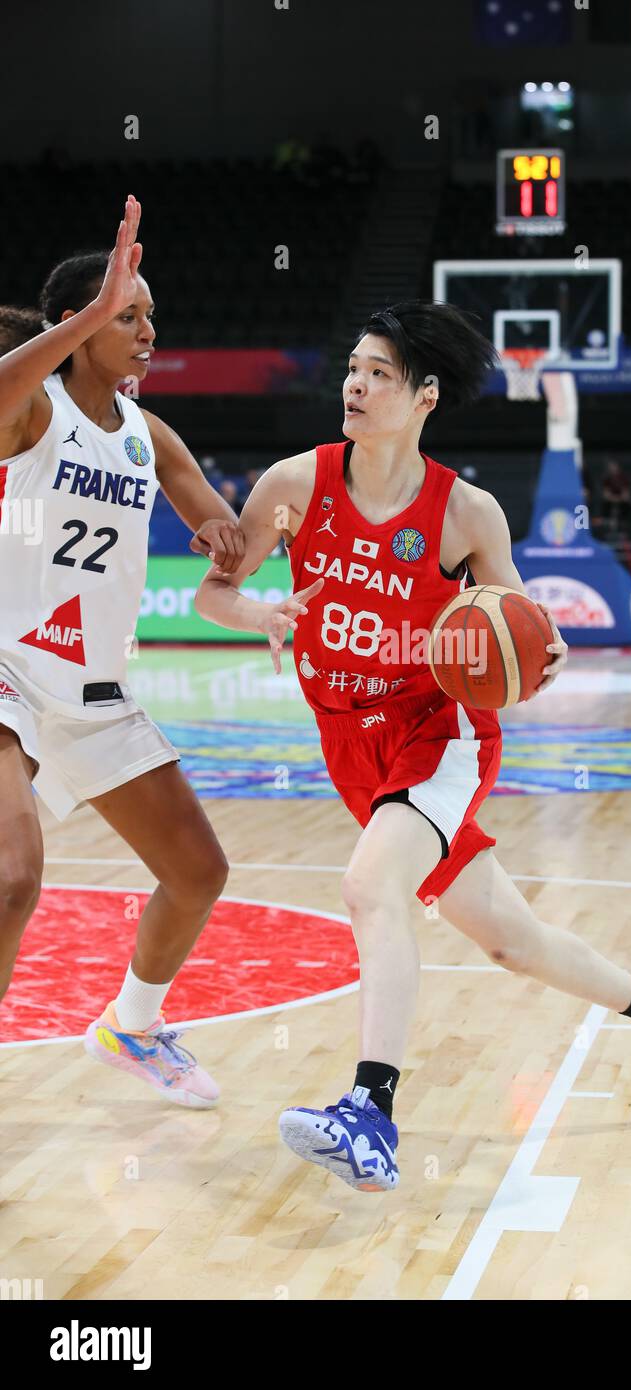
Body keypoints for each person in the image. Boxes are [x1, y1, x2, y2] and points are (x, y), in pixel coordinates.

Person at [195, 300, 631, 1193]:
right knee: (509, 940)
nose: (357, 385)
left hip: (438, 738)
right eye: (354, 369)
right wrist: (259, 611)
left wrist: (544, 652)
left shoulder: (467, 512)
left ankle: (372, 1112)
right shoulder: (294, 486)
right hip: (348, 744)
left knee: (371, 887)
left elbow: (520, 624)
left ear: (424, 397)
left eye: (379, 374)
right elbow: (213, 595)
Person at [0, 196, 275, 1108]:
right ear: (78, 329)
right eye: (131, 315)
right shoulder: (32, 410)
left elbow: (216, 518)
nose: (150, 331)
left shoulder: (147, 436)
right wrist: (85, 313)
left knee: (199, 872)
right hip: (8, 672)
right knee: (11, 880)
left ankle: (131, 1024)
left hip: (96, 690)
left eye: (151, 315)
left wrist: (228, 541)